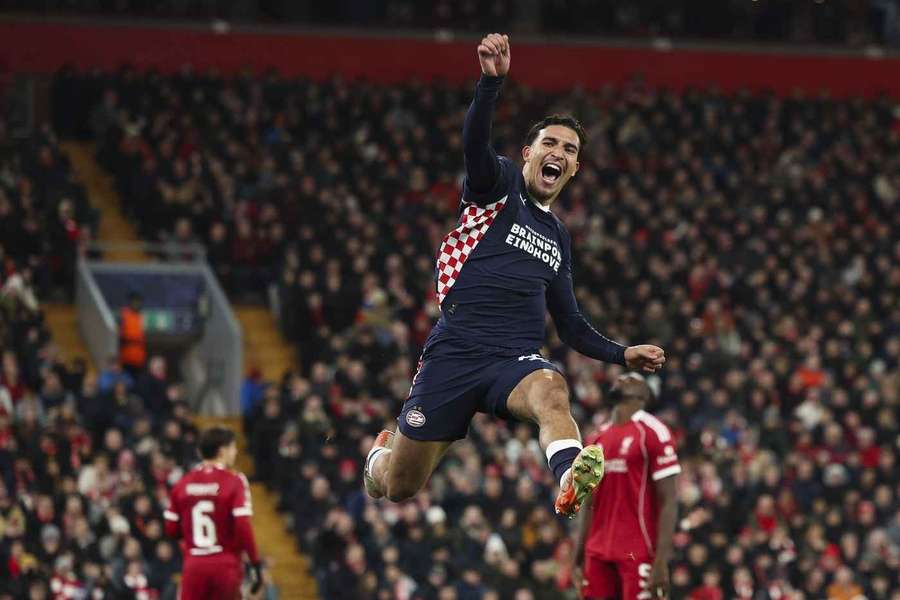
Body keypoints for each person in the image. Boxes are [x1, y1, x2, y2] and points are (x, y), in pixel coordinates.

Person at [364, 33, 666, 518]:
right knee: (399, 487)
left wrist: (621, 353)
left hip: (512, 361)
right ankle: (380, 455)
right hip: (455, 354)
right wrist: (490, 83)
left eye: (568, 149)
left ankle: (569, 477)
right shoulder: (498, 185)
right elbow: (473, 143)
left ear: (574, 168)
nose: (559, 152)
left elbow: (569, 325)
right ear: (528, 153)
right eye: (549, 142)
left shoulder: (558, 238)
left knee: (552, 387)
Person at [574, 373, 680, 599]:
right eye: (618, 378)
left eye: (629, 379)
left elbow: (669, 500)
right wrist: (579, 551)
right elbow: (587, 500)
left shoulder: (654, 432)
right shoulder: (595, 438)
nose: (620, 379)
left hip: (637, 549)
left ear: (644, 393)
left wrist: (661, 560)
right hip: (597, 549)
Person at [164, 427, 263, 599]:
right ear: (222, 451)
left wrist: (190, 540)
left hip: (193, 565)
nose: (235, 452)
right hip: (225, 564)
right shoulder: (235, 481)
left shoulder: (183, 483)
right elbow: (242, 525)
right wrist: (255, 562)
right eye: (233, 447)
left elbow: (172, 528)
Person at [119, 292, 146, 378]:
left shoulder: (141, 317)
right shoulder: (124, 314)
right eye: (135, 302)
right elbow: (121, 336)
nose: (137, 304)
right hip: (126, 357)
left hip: (139, 358)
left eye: (139, 302)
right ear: (130, 302)